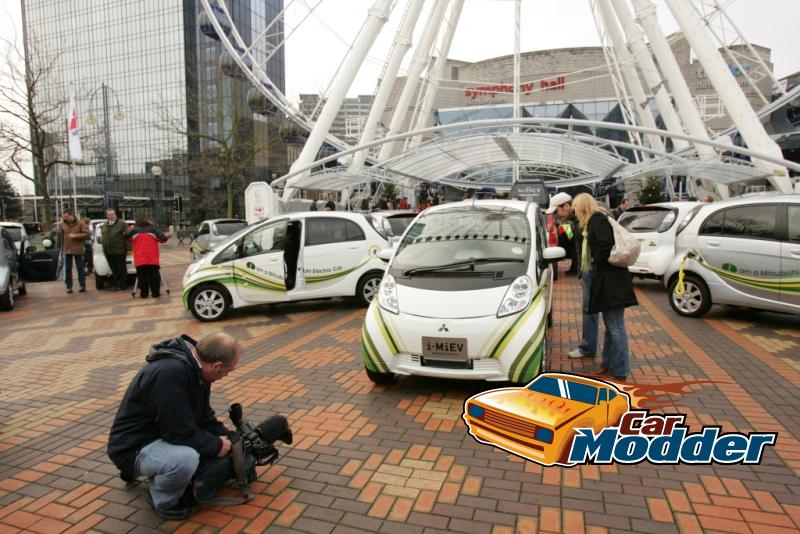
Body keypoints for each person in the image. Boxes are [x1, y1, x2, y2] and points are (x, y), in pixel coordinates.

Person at [107, 333, 241, 520]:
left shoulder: (195, 368)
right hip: (131, 448)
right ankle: (163, 499)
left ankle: (153, 468)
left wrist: (230, 438)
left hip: (156, 435)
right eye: (229, 370)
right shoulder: (170, 374)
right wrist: (216, 446)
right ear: (217, 366)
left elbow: (203, 416)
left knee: (198, 448)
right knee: (186, 459)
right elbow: (179, 432)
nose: (226, 375)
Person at [572, 193, 638, 381]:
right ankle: (609, 364)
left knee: (616, 327)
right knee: (610, 326)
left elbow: (604, 248)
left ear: (583, 208)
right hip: (610, 281)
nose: (575, 212)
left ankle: (620, 370)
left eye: (576, 208)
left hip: (612, 282)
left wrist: (595, 264)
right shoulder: (595, 220)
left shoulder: (596, 220)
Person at [125, 218, 168, 298]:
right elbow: (163, 239)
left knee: (141, 277)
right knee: (154, 276)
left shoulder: (134, 231)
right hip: (152, 258)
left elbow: (126, 237)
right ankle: (155, 293)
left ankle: (144, 294)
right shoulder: (153, 230)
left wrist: (130, 229)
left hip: (140, 258)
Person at [545, 192, 578, 275]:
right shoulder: (568, 221)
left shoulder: (579, 219)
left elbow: (576, 245)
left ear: (566, 206)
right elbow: (571, 240)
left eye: (556, 211)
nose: (556, 215)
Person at [59, 209, 90, 294]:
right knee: (68, 269)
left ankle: (82, 285)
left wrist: (76, 236)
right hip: (67, 249)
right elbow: (60, 236)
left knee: (80, 268)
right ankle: (69, 286)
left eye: (66, 216)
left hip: (78, 249)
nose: (64, 218)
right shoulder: (62, 224)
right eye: (64, 217)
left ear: (71, 215)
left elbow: (87, 234)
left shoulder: (81, 223)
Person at [101, 208, 130, 291]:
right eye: (109, 214)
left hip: (119, 250)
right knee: (114, 269)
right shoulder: (105, 225)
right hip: (108, 251)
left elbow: (127, 236)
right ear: (106, 216)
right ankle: (115, 284)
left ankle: (122, 285)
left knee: (121, 269)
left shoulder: (122, 223)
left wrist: (127, 249)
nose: (111, 216)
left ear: (115, 214)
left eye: (113, 214)